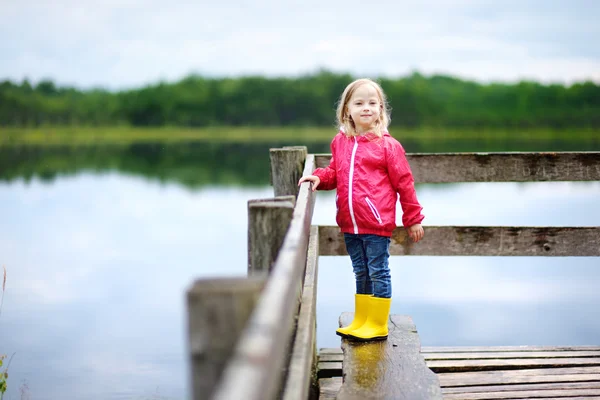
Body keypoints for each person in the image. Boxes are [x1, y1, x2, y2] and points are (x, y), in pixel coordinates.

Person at [298, 78, 424, 341]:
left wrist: (412, 219)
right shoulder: (341, 142)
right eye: (359, 103)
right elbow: (335, 172)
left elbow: (405, 184)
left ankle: (378, 323)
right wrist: (319, 178)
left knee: (378, 270)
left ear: (381, 109)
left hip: (376, 223)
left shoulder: (388, 146)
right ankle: (362, 318)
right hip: (349, 222)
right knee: (360, 270)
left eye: (372, 103)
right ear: (347, 111)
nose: (366, 108)